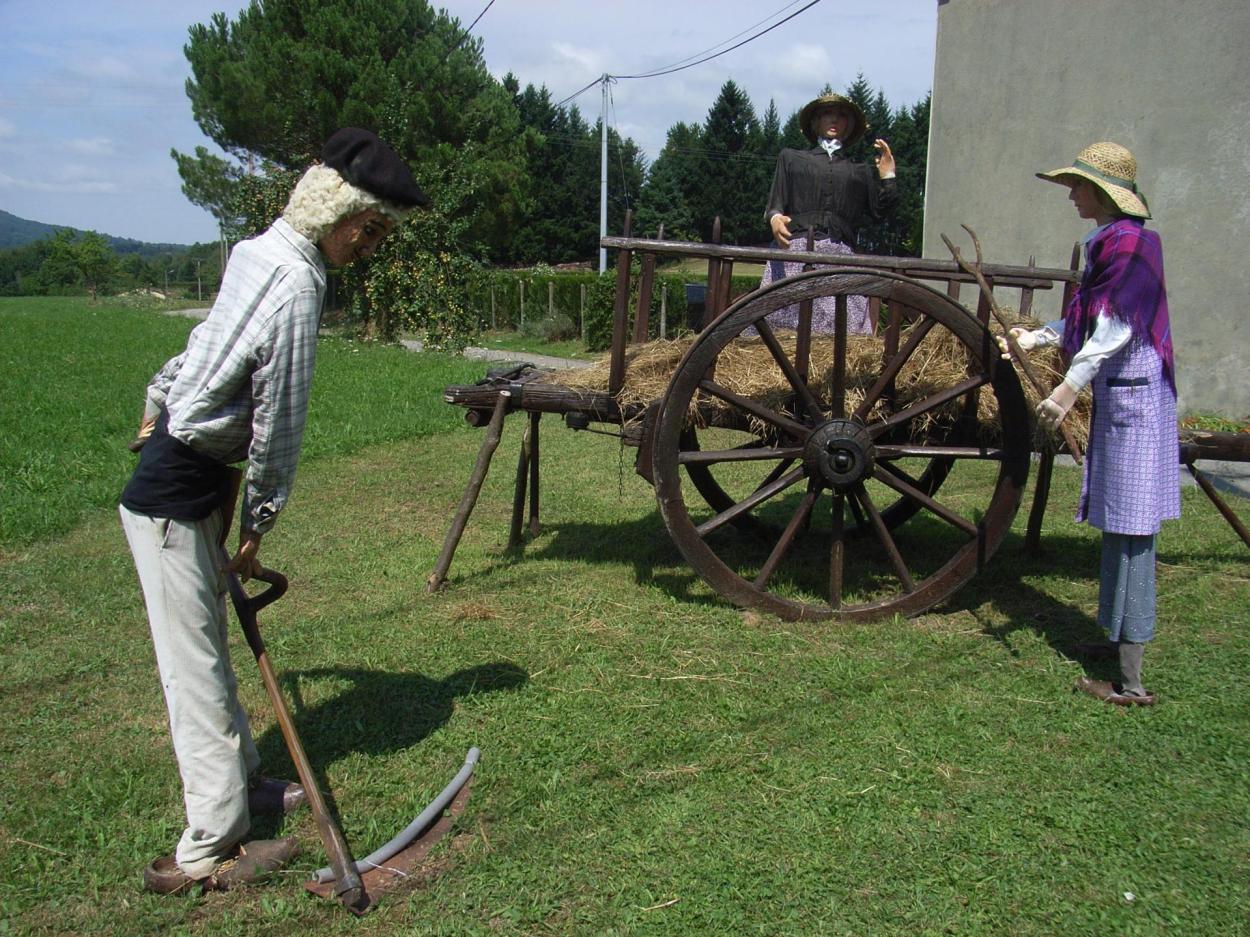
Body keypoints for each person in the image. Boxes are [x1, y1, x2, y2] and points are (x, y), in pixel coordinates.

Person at [120, 127, 430, 893]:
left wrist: (160, 397)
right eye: (368, 223)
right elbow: (278, 417)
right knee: (191, 669)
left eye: (380, 229)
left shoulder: (259, 250)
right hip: (176, 486)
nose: (370, 241)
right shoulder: (296, 283)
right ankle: (209, 849)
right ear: (332, 209)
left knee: (210, 646)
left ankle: (246, 782)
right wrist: (258, 521)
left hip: (189, 468)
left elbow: (203, 345)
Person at [1001, 141, 1178, 706]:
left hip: (1135, 401)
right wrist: (1039, 336)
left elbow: (1119, 325)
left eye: (1077, 186)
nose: (1072, 195)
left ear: (1103, 191)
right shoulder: (1113, 241)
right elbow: (1092, 315)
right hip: (1125, 395)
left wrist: (1070, 383)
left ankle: (1130, 681)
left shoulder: (1131, 243)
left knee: (1132, 533)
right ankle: (1122, 657)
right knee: (1123, 531)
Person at [759, 92, 897, 334]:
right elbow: (775, 203)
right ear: (816, 121)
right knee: (783, 319)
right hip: (796, 251)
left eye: (841, 115)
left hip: (840, 256)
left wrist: (887, 176)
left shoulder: (859, 170)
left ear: (849, 125)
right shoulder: (792, 158)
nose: (834, 119)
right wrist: (775, 218)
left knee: (842, 326)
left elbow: (879, 212)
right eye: (827, 113)